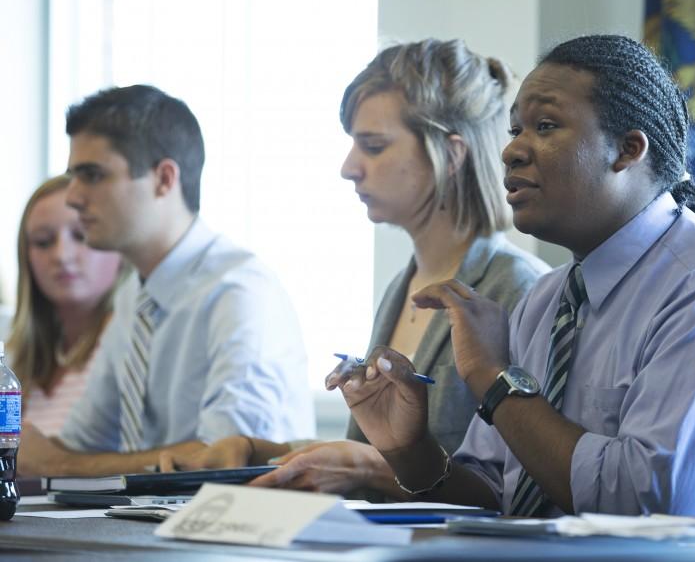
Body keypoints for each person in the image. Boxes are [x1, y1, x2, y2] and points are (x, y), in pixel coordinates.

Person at [330, 34, 695, 519]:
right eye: (514, 131)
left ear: (627, 149)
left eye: (545, 126)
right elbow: (494, 495)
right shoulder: (549, 299)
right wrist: (409, 448)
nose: (512, 152)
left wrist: (496, 380)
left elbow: (653, 508)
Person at [159, 39, 549, 497]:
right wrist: (257, 450)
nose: (349, 168)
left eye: (374, 145)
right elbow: (370, 451)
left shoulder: (519, 288)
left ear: (451, 153)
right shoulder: (400, 288)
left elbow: (522, 488)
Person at [16, 84, 315, 477]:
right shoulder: (133, 296)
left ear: (163, 179)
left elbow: (222, 464)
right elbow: (82, 444)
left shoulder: (239, 294)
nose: (72, 197)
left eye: (91, 175)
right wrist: (48, 455)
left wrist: (57, 462)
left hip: (235, 531)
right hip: (151, 530)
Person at [5, 175, 123, 436]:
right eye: (43, 241)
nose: (61, 255)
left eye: (81, 236)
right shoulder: (15, 358)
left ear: (119, 246)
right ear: (26, 259)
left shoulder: (130, 346)